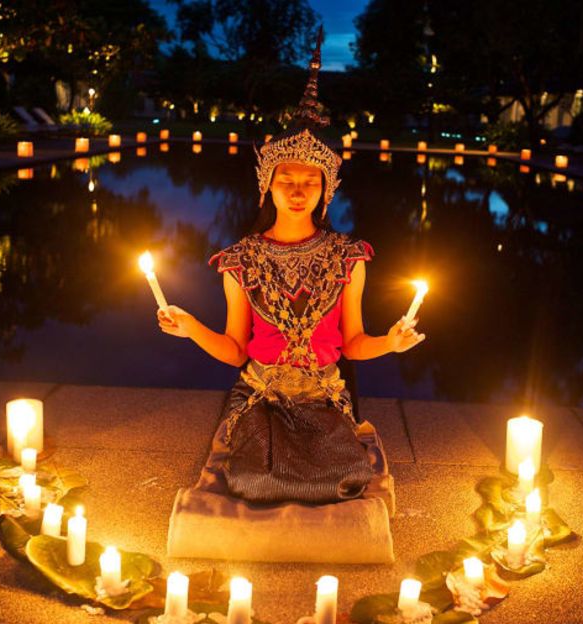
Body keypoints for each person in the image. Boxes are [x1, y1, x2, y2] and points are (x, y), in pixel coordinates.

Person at [155, 32, 424, 506]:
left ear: (326, 190)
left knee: (341, 480)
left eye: (309, 182)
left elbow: (354, 343)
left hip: (322, 399)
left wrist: (392, 342)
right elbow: (237, 350)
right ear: (268, 186)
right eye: (286, 180)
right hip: (263, 400)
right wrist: (192, 328)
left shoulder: (348, 256)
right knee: (254, 482)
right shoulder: (242, 260)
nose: (298, 191)